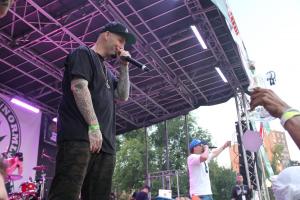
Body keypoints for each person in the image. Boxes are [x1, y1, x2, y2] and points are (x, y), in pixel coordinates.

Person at [48, 21, 135, 200]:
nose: (122, 46)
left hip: (106, 145)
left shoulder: (108, 73)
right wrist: (94, 127)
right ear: (106, 34)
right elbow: (79, 87)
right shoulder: (83, 54)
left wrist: (124, 67)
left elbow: (123, 95)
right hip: (79, 137)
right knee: (66, 193)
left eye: (124, 44)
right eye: (120, 40)